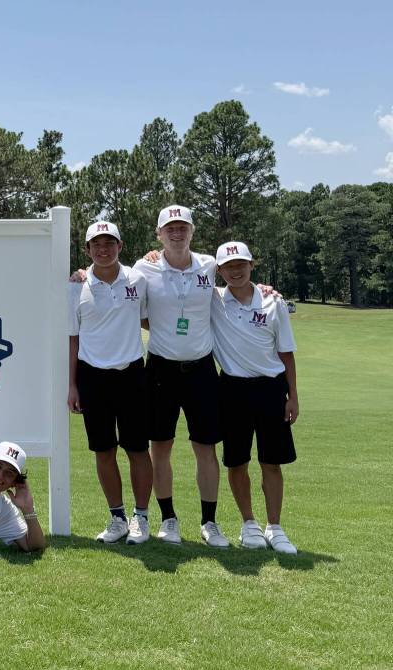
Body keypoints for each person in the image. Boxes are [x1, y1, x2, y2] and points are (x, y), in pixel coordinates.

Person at [133, 205, 229, 547]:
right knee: (160, 448)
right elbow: (128, 298)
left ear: (192, 231)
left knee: (206, 448)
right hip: (161, 369)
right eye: (169, 228)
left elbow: (239, 278)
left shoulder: (209, 264)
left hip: (202, 369)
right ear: (159, 234)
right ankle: (168, 519)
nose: (177, 233)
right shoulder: (144, 268)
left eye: (182, 227)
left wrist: (269, 292)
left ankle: (209, 522)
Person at [67, 222, 154, 545]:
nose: (103, 250)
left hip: (132, 373)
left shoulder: (138, 279)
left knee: (137, 449)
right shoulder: (75, 285)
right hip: (92, 376)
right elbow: (72, 338)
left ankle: (141, 518)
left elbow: (150, 316)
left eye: (109, 243)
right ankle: (117, 517)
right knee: (103, 450)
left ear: (120, 245)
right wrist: (72, 385)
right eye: (96, 245)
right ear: (87, 250)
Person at [211, 241, 299, 554]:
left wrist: (293, 396)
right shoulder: (214, 300)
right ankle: (248, 523)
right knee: (237, 461)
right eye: (228, 266)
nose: (235, 271)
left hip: (271, 389)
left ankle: (274, 527)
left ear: (251, 265)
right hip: (232, 390)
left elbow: (286, 352)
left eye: (241, 264)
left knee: (271, 463)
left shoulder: (273, 301)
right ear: (218, 270)